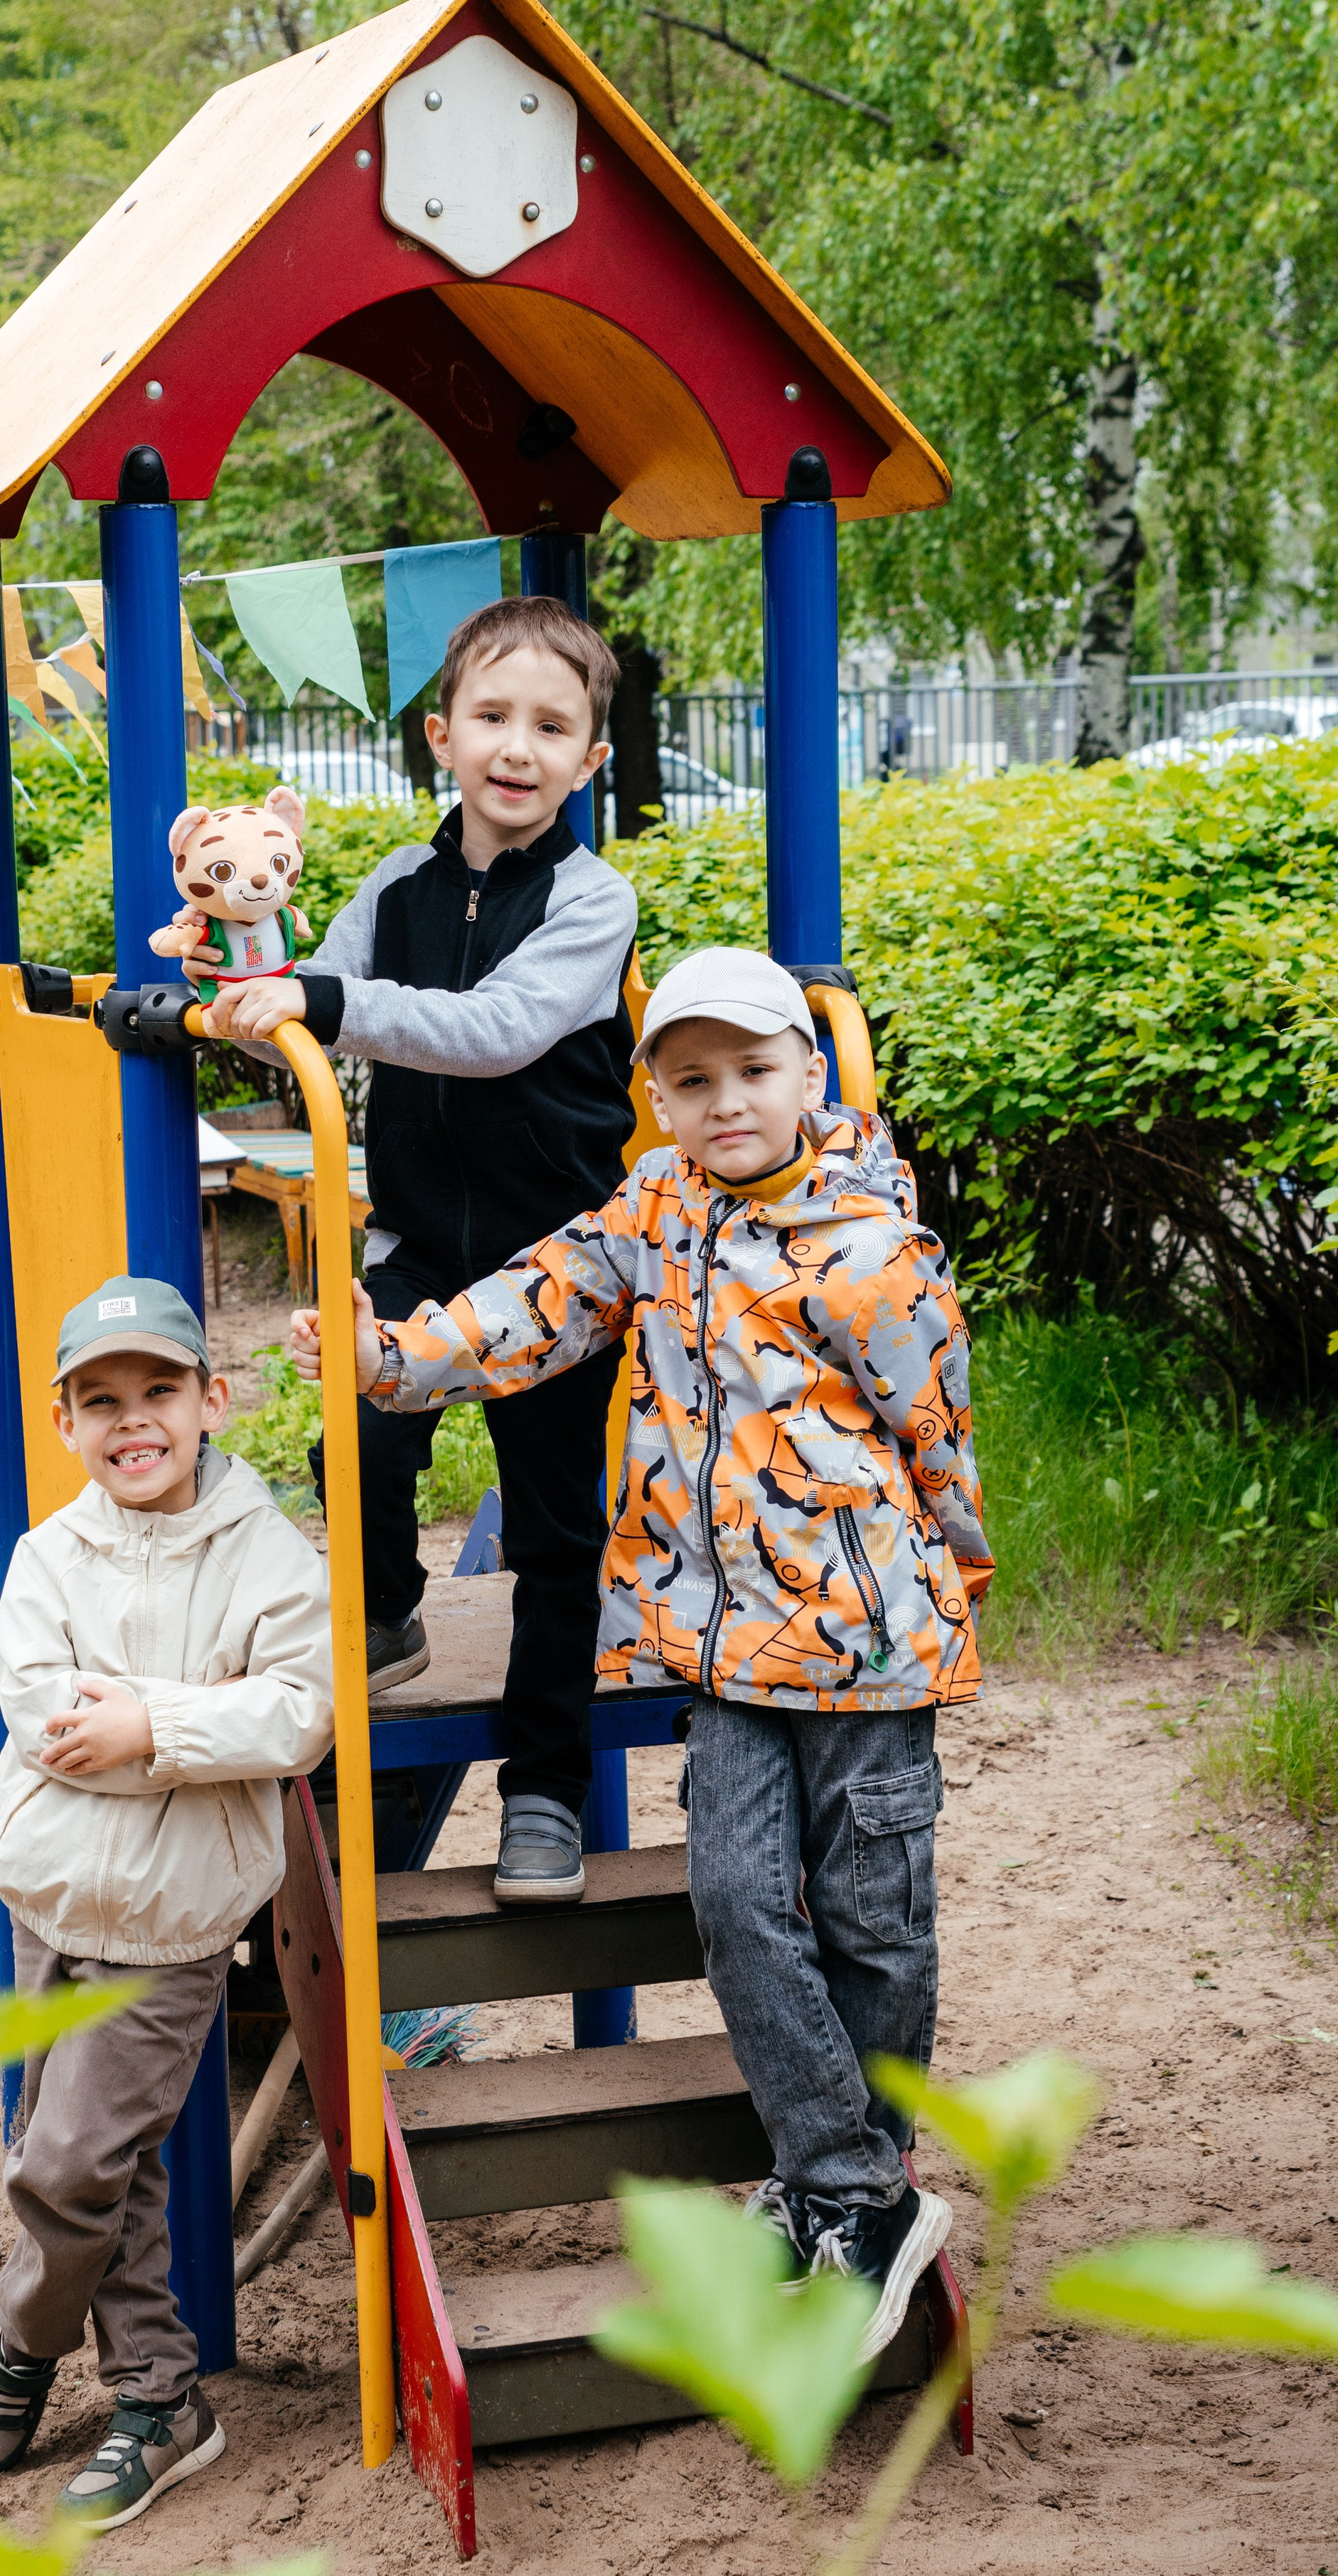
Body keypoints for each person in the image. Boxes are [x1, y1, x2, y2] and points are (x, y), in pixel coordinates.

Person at [290, 947, 992, 2351]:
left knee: (866, 1918)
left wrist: (942, 1570)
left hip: (862, 1644)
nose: (723, 1102)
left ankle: (854, 2187)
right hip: (726, 1649)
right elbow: (535, 1302)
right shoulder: (655, 1215)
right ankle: (845, 2185)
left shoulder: (869, 1249)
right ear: (655, 1101)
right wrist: (392, 1358)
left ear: (809, 1073)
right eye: (689, 1081)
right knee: (737, 1905)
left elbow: (937, 1433)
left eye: (750, 1072)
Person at [196, 593, 637, 1909]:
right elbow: (315, 1002)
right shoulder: (393, 885)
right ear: (440, 735)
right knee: (360, 1432)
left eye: (551, 726)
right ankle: (383, 1607)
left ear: (589, 761)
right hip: (415, 1246)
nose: (519, 747)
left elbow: (497, 1028)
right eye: (493, 718)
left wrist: (325, 999)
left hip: (557, 1263)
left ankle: (546, 1794)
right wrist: (235, 976)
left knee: (559, 1535)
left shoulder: (589, 900)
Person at [0, 1274, 333, 2527]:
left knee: (65, 2168)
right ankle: (161, 2396)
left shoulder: (268, 1554)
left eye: (159, 1391)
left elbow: (298, 1713)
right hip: (48, 1900)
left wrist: (148, 1722)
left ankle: (25, 2338)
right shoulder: (48, 1554)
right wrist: (169, 1730)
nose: (134, 1421)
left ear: (211, 1400)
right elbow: (42, 1718)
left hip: (173, 1922)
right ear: (64, 1422)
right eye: (101, 1399)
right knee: (94, 2165)